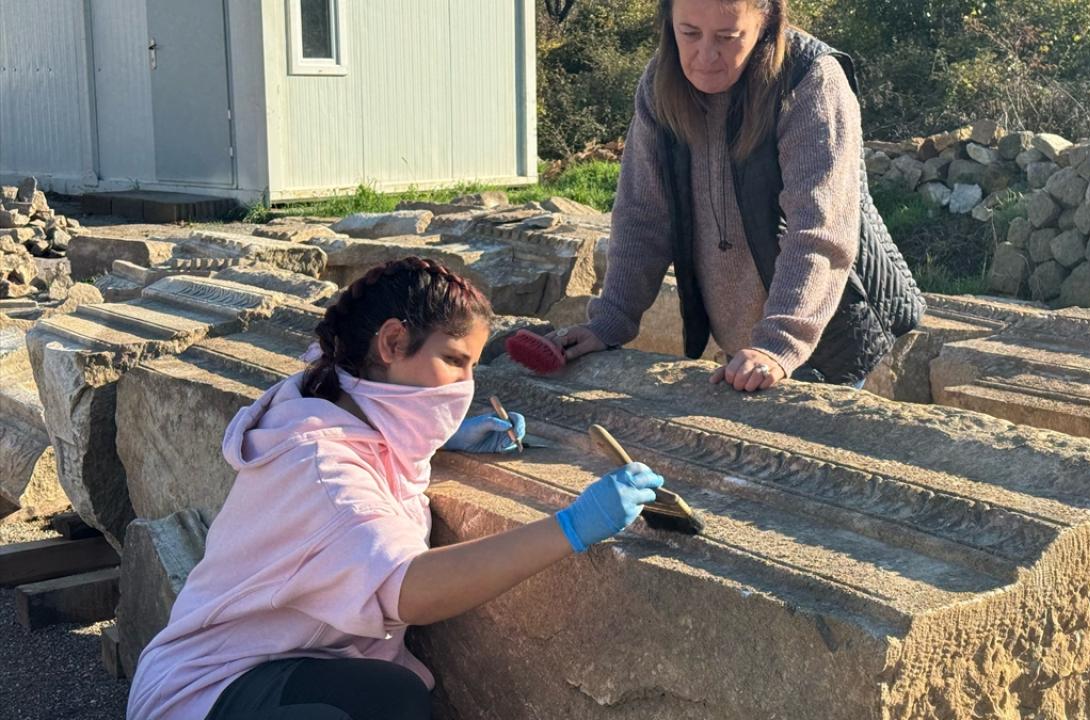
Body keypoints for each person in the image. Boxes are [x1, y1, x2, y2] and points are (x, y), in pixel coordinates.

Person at [126, 257, 665, 720]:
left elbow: (360, 423)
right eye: (454, 360)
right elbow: (409, 589)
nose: (465, 385)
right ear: (391, 341)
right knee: (390, 701)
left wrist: (434, 437)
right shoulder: (322, 472)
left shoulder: (327, 396)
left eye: (472, 366)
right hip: (203, 697)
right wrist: (569, 527)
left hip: (267, 664)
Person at [551, 0, 923, 392]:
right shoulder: (660, 83)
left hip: (823, 336)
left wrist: (779, 344)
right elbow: (642, 214)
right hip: (744, 343)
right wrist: (610, 321)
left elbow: (819, 229)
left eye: (727, 38)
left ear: (766, 23)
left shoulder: (812, 80)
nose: (705, 56)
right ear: (668, 22)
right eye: (689, 33)